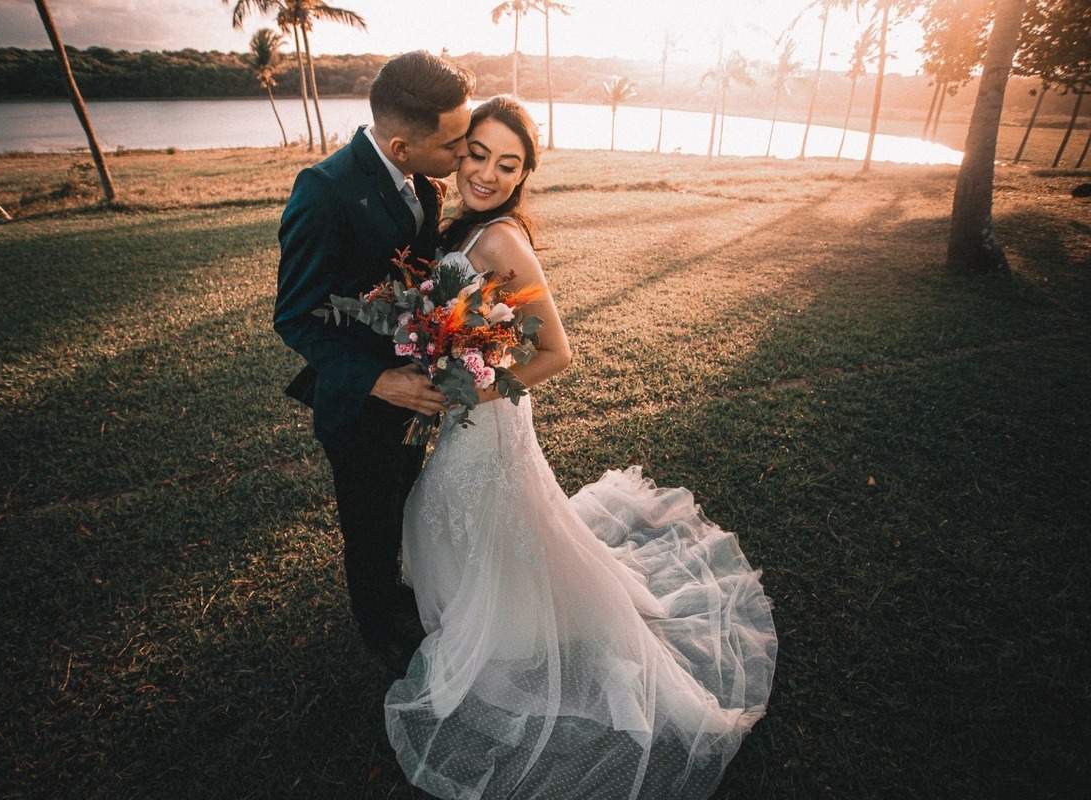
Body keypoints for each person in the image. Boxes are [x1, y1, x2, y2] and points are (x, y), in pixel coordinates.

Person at [384, 96, 778, 799]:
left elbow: (557, 353)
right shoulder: (461, 226)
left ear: (524, 175)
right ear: (458, 151)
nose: (487, 174)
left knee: (489, 514)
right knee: (461, 509)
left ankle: (516, 623)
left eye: (509, 165)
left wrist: (467, 390)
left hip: (490, 416)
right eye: (478, 154)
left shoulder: (503, 241)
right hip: (471, 411)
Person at [274, 51, 475, 673]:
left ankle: (404, 590)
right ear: (401, 145)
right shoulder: (324, 192)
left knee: (405, 500)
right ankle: (378, 626)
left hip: (418, 392)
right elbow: (296, 315)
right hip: (359, 407)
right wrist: (381, 381)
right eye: (454, 143)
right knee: (368, 521)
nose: (464, 153)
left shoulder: (422, 180)